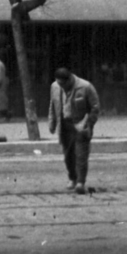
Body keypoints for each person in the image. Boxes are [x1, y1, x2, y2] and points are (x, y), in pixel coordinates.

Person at [47, 65, 101, 194]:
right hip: (65, 125)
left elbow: (95, 107)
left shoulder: (85, 86)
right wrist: (52, 123)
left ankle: (81, 182)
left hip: (81, 125)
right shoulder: (55, 87)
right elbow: (53, 105)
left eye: (63, 84)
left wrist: (89, 124)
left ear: (69, 79)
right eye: (59, 83)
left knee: (81, 155)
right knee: (68, 155)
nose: (61, 87)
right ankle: (72, 178)